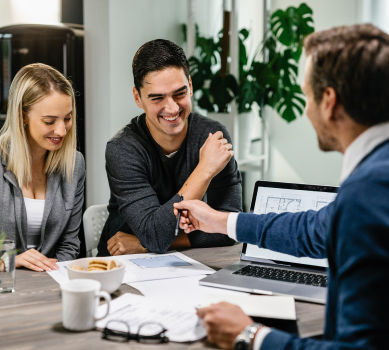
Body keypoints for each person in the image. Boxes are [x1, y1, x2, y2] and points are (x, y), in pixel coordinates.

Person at [174, 24, 389, 350]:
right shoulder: (377, 173)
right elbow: (315, 229)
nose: (305, 109)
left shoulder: (369, 191)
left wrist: (251, 335)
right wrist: (219, 220)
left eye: (306, 95)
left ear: (329, 101)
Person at [97, 39, 242, 256]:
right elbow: (155, 234)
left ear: (190, 87)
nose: (172, 108)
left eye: (179, 94)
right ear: (138, 98)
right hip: (125, 265)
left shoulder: (212, 137)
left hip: (188, 263)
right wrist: (205, 171)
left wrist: (146, 242)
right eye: (157, 98)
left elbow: (229, 228)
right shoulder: (123, 149)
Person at [0, 63, 85, 272]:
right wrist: (10, 262)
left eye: (67, 118)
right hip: (0, 286)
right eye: (50, 121)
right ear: (22, 116)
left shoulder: (74, 164)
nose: (61, 130)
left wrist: (50, 276)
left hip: (51, 284)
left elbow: (70, 245)